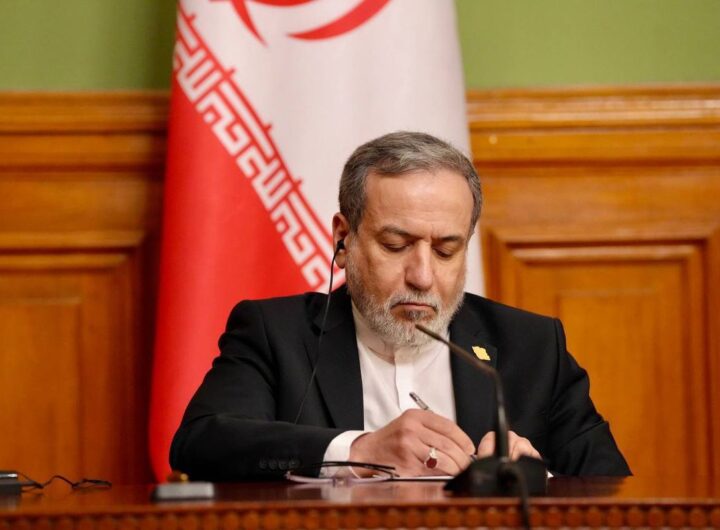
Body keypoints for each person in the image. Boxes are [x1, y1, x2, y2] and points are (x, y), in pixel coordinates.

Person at [170, 131, 630, 480]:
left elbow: (612, 489)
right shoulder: (276, 333)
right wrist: (358, 451)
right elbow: (202, 443)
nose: (422, 276)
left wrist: (537, 478)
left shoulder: (531, 347)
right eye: (396, 245)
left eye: (446, 250)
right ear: (343, 239)